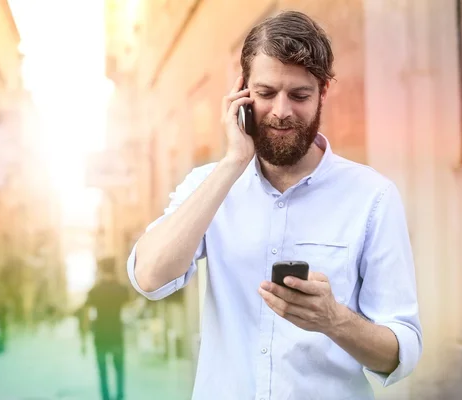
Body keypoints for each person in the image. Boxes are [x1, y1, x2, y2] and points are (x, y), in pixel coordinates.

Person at [127, 10, 423, 400]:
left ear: (323, 93)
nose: (281, 111)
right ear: (242, 93)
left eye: (299, 95)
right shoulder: (208, 185)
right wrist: (232, 162)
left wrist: (334, 321)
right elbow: (149, 278)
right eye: (265, 93)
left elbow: (401, 353)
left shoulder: (373, 196)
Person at [86, 257, 130, 400]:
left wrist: (82, 340)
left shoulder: (95, 291)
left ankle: (105, 397)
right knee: (119, 370)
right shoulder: (122, 290)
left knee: (102, 371)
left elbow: (88, 314)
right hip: (117, 333)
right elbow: (129, 309)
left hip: (100, 335)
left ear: (100, 270)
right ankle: (120, 396)